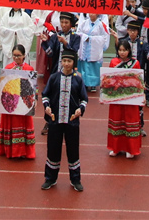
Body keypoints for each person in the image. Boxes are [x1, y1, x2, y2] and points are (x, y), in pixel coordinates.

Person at [41, 50, 87, 192]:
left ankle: (75, 179)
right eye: (64, 61)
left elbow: (84, 99)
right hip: (55, 121)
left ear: (74, 63)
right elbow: (45, 95)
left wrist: (80, 109)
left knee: (73, 150)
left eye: (69, 61)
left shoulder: (78, 80)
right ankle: (50, 178)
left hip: (72, 122)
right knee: (53, 149)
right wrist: (47, 107)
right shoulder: (54, 78)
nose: (66, 64)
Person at [0, 44, 36, 159]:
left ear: (24, 56)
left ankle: (25, 151)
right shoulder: (8, 68)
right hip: (10, 102)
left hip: (24, 104)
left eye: (18, 56)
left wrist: (35, 99)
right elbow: (2, 85)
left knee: (23, 125)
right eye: (14, 56)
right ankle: (9, 150)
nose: (16, 58)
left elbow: (34, 87)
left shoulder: (29, 69)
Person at [107, 38, 142, 159]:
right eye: (120, 50)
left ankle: (130, 149)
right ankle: (115, 148)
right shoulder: (113, 62)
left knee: (129, 120)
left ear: (129, 51)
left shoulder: (135, 63)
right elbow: (108, 78)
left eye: (125, 50)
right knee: (117, 120)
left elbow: (138, 80)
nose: (122, 52)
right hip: (117, 98)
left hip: (130, 98)